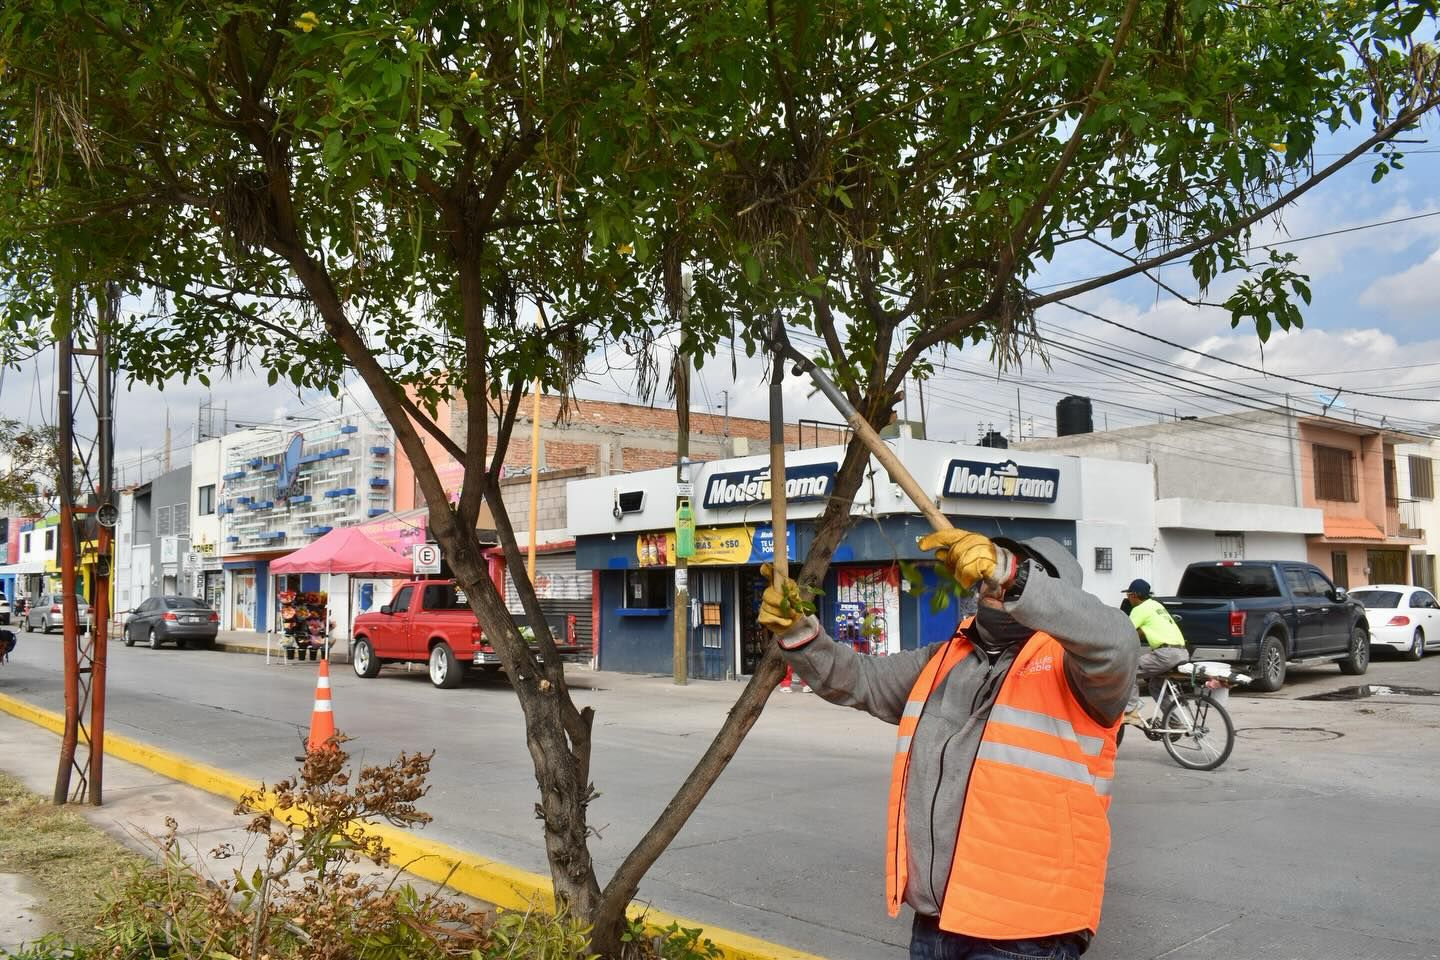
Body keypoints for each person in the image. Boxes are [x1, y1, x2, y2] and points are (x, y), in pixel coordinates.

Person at [759, 529, 1138, 960]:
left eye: (1015, 572)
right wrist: (797, 631)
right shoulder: (944, 659)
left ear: (1054, 594)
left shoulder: (1079, 671)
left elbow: (1116, 640)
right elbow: (857, 678)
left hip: (1026, 935)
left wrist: (1012, 575)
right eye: (992, 567)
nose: (994, 580)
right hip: (936, 923)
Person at [1122, 578, 1188, 725]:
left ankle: (1131, 711)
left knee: (1127, 670)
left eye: (1128, 595)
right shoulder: (1156, 605)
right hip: (1182, 653)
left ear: (1134, 595)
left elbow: (1125, 632)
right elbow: (1143, 631)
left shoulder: (1139, 609)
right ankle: (1174, 721)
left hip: (1166, 655)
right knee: (1155, 686)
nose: (1127, 599)